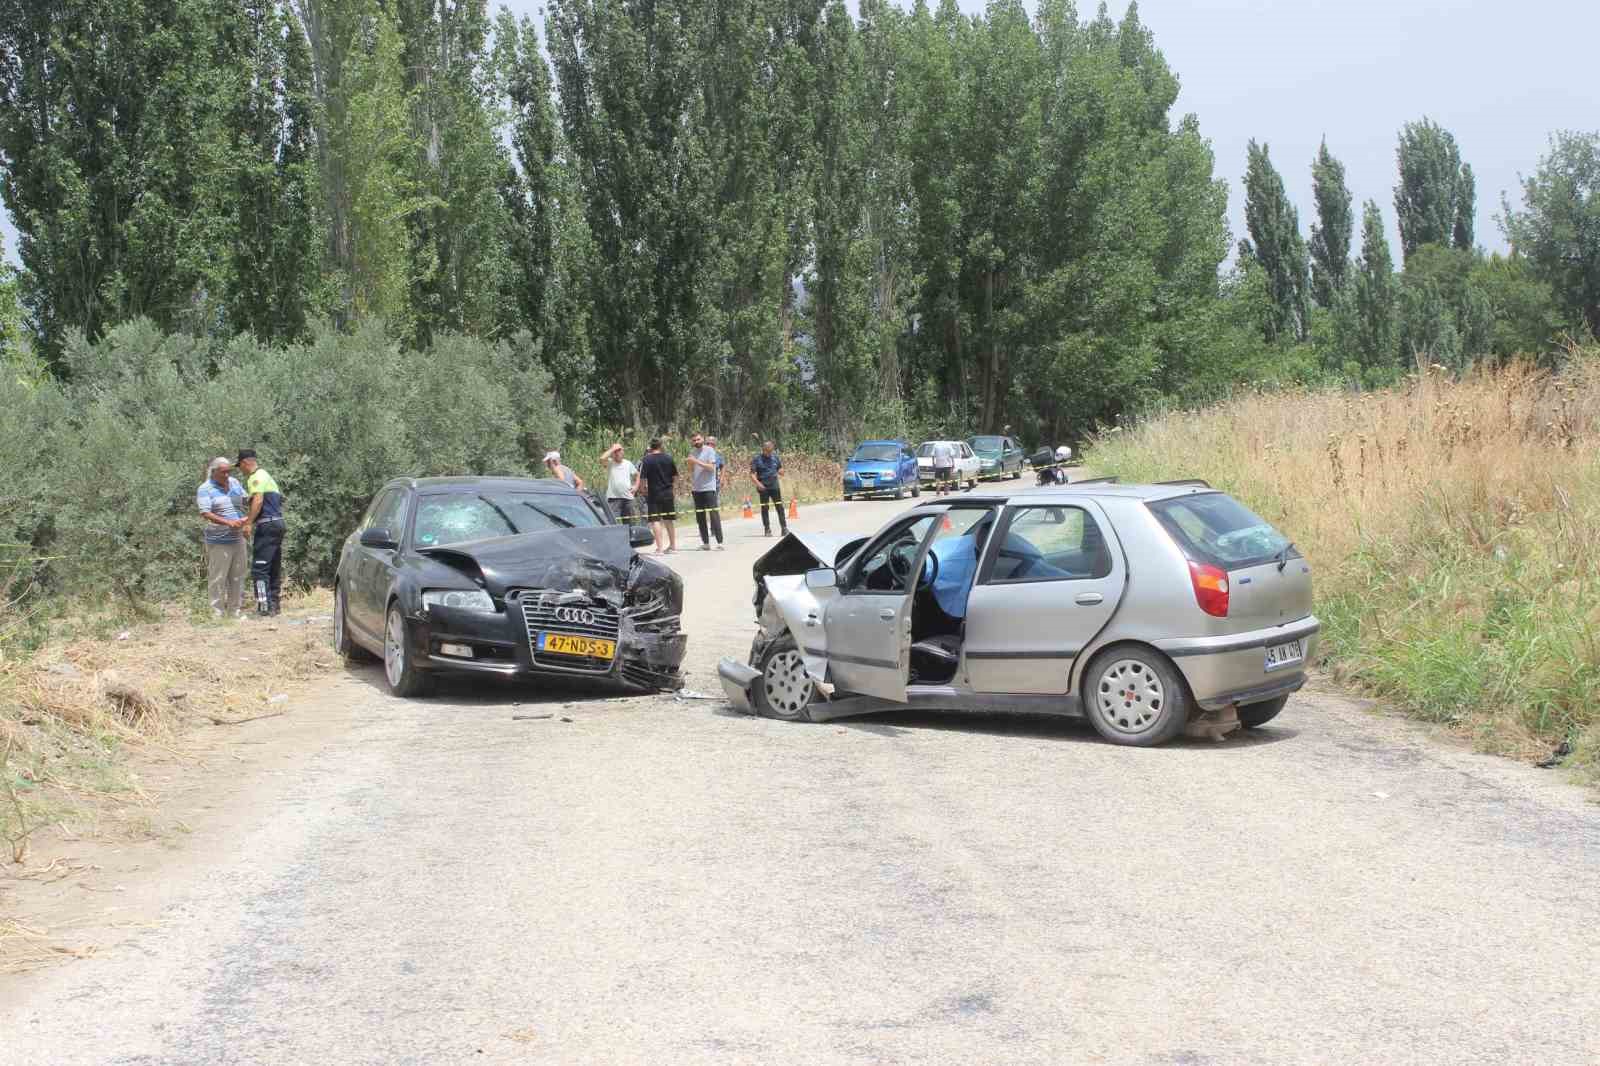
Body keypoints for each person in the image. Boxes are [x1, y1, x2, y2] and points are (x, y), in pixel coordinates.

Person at [236, 448, 286, 616]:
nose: (241, 471)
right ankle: (274, 606)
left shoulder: (255, 477)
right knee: (272, 567)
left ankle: (264, 608)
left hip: (267, 526)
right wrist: (249, 517)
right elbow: (266, 506)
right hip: (277, 523)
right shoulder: (266, 476)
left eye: (240, 467)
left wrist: (249, 523)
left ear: (244, 463)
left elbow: (258, 501)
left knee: (259, 569)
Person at [196, 457, 248, 618]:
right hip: (219, 540)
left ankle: (235, 611)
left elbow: (243, 500)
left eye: (228, 471)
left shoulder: (234, 483)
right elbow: (205, 512)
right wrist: (228, 523)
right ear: (214, 472)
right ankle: (216, 612)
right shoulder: (205, 488)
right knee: (218, 576)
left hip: (238, 537)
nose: (227, 475)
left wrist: (259, 500)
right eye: (223, 472)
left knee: (238, 575)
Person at [637, 438, 679, 555]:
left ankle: (660, 548)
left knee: (655, 520)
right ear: (661, 446)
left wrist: (643, 489)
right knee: (669, 520)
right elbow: (675, 476)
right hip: (667, 493)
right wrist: (672, 489)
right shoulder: (668, 458)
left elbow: (643, 478)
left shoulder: (647, 459)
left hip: (654, 493)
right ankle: (672, 546)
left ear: (651, 447)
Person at [687, 432, 724, 550]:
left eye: (698, 439)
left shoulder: (709, 450)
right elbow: (691, 470)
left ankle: (719, 542)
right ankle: (706, 543)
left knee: (713, 515)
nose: (696, 442)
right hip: (697, 488)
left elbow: (711, 468)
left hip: (709, 487)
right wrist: (690, 463)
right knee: (700, 517)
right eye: (694, 440)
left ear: (702, 439)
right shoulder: (692, 453)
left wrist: (696, 461)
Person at [749, 440, 787, 537]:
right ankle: (767, 529)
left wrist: (781, 471)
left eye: (771, 451)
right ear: (763, 450)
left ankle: (784, 528)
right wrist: (758, 484)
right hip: (763, 487)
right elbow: (752, 475)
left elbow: (780, 468)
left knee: (780, 507)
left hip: (774, 485)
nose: (770, 453)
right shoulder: (757, 459)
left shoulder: (775, 458)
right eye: (768, 451)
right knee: (765, 508)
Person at [599, 442, 641, 524]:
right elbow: (601, 459)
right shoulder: (610, 463)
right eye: (616, 451)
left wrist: (636, 486)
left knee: (630, 524)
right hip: (613, 499)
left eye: (619, 450)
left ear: (623, 452)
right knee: (613, 523)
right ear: (613, 453)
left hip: (628, 498)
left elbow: (637, 474)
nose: (618, 453)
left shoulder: (628, 463)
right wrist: (612, 449)